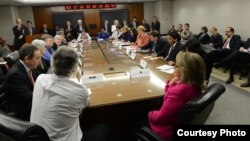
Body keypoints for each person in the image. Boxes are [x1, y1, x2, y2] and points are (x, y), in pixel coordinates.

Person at [30, 47, 90, 141]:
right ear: (74, 68)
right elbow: (87, 104)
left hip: (36, 137)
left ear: (52, 64)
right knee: (104, 128)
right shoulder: (80, 91)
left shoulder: (40, 79)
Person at [148, 51, 205, 141]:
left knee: (136, 119)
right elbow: (171, 94)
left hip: (166, 131)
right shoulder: (195, 85)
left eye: (176, 66)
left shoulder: (178, 92)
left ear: (184, 71)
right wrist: (171, 83)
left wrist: (149, 113)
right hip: (178, 121)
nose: (174, 67)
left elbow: (160, 118)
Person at [4, 44, 41, 121]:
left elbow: (41, 80)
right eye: (37, 58)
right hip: (22, 111)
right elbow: (28, 96)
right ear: (27, 59)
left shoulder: (31, 66)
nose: (40, 61)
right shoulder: (15, 75)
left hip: (30, 102)